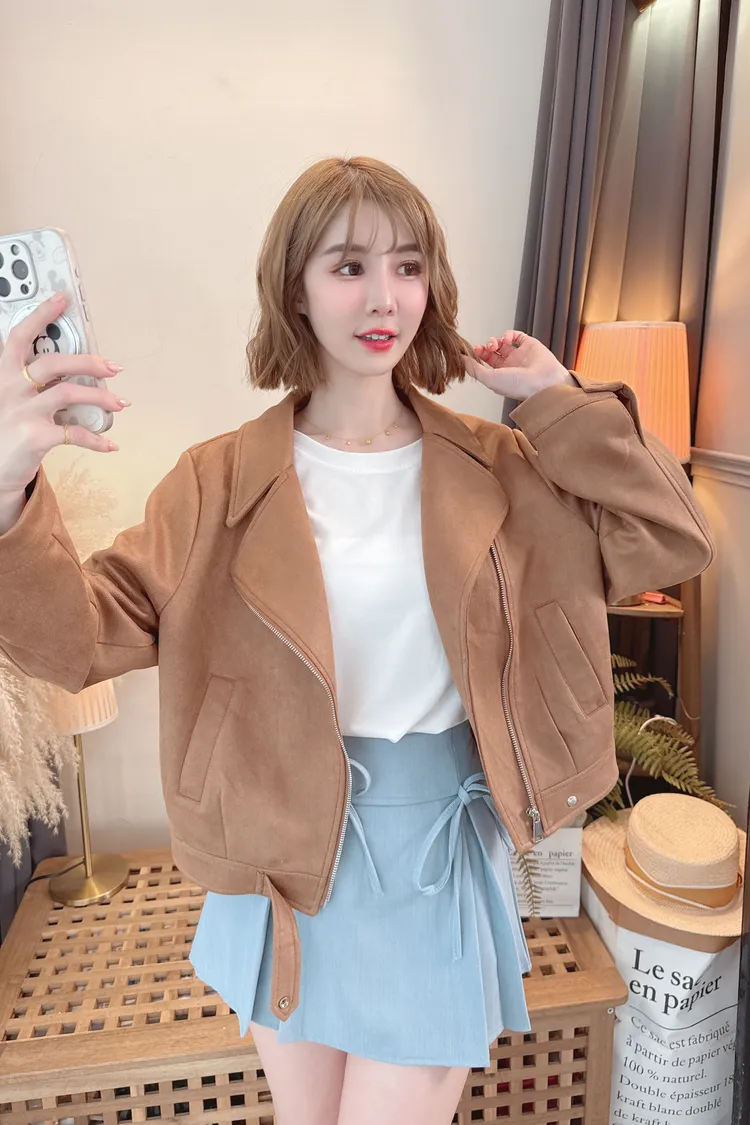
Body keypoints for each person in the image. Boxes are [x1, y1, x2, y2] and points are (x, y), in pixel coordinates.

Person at [0, 156, 715, 1125]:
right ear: (294, 288)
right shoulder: (216, 482)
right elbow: (75, 642)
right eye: (348, 266)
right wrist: (9, 489)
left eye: (408, 265)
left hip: (431, 863)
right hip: (285, 865)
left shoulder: (505, 465)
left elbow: (671, 537)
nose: (385, 296)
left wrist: (556, 397)